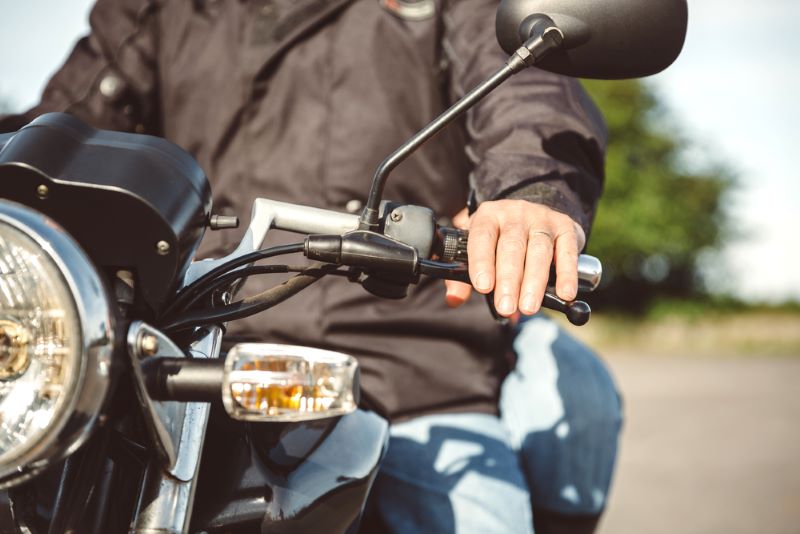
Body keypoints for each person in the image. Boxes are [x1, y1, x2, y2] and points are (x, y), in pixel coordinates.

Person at [0, 0, 621, 531]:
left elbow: (523, 90)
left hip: (407, 370)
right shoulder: (164, 8)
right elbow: (59, 132)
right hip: (192, 355)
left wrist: (527, 195)